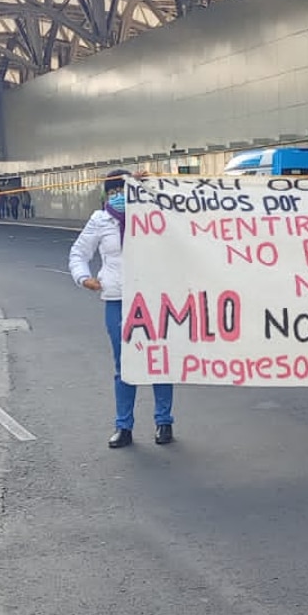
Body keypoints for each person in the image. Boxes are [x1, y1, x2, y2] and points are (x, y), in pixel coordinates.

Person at [69, 169, 174, 448]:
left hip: (153, 298)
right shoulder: (100, 220)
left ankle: (164, 421)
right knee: (124, 365)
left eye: (123, 191)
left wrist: (154, 183)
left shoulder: (153, 212)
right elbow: (79, 254)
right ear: (106, 194)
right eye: (113, 192)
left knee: (158, 361)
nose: (118, 196)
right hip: (118, 299)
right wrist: (84, 278)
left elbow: (182, 219)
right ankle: (123, 425)